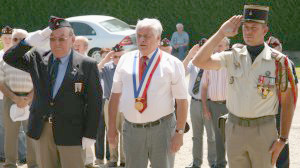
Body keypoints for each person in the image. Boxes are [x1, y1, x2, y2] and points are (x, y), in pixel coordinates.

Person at [192, 5, 298, 168]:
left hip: (263, 130)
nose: (248, 32)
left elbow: (288, 102)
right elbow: (199, 61)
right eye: (245, 28)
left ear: (265, 30)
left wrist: (283, 139)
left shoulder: (279, 61)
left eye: (253, 28)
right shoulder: (232, 57)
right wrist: (221, 33)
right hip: (235, 129)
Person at [3, 16, 102, 168]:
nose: (56, 43)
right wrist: (30, 40)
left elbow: (94, 102)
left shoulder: (87, 64)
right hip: (42, 130)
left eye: (61, 39)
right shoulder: (38, 59)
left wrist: (89, 134)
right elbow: (9, 57)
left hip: (72, 131)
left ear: (72, 39)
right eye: (52, 39)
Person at [108, 18, 188, 168]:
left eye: (147, 36)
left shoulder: (172, 63)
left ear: (158, 38)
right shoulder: (125, 60)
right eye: (139, 35)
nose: (142, 40)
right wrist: (111, 128)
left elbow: (182, 101)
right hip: (132, 130)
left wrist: (179, 132)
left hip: (162, 130)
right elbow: (115, 96)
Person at [0, 29, 38, 168]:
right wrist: (15, 98)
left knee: (31, 133)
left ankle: (33, 164)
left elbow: (39, 82)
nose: (17, 42)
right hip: (10, 99)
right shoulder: (5, 59)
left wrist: (28, 98)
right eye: (15, 39)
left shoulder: (33, 59)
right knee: (11, 133)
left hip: (31, 99)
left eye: (21, 39)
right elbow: (1, 83)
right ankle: (10, 163)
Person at [182, 41, 216, 168]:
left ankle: (213, 162)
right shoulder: (194, 62)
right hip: (195, 103)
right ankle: (196, 162)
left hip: (209, 103)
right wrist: (189, 55)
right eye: (201, 49)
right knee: (196, 135)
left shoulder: (213, 62)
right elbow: (181, 71)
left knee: (211, 135)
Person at [267, 36, 298, 168]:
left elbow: (294, 87)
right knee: (265, 140)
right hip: (267, 107)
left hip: (281, 106)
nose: (274, 47)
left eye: (276, 45)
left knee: (282, 139)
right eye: (272, 46)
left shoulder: (287, 63)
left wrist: (292, 105)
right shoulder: (265, 63)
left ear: (281, 46)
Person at [201, 37, 230, 168]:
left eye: (221, 46)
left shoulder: (231, 63)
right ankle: (220, 164)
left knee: (233, 137)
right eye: (217, 46)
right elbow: (204, 86)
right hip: (214, 106)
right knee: (218, 138)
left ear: (227, 47)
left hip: (230, 106)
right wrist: (205, 108)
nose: (218, 49)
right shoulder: (209, 63)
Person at [98, 45, 125, 167]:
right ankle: (113, 159)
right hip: (110, 102)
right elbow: (95, 71)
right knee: (111, 131)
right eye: (115, 56)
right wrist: (106, 58)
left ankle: (124, 160)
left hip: (125, 103)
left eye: (120, 56)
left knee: (126, 132)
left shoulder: (129, 68)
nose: (117, 59)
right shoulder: (107, 67)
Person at [73, 36, 98, 168]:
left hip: (87, 104)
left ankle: (89, 161)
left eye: (79, 45)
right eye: (74, 44)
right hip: (74, 104)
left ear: (86, 47)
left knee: (88, 133)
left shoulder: (91, 62)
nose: (75, 46)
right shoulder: (70, 61)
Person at [95, 47, 111, 166]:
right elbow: (96, 69)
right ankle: (99, 157)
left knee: (110, 131)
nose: (108, 58)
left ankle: (110, 157)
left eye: (109, 56)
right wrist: (105, 59)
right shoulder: (98, 67)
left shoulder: (113, 68)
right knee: (99, 132)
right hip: (98, 102)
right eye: (104, 56)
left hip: (109, 101)